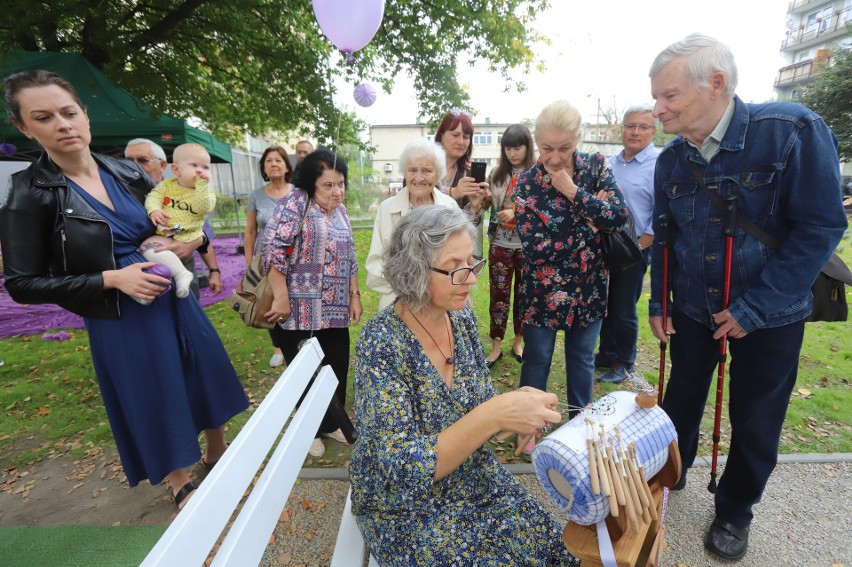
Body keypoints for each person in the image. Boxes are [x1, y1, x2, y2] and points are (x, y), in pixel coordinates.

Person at [0, 70, 249, 509]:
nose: (62, 124)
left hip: (173, 294)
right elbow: (21, 283)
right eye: (44, 117)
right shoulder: (28, 192)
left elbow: (183, 218)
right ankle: (178, 479)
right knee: (151, 388)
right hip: (119, 312)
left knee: (201, 368)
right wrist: (110, 278)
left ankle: (216, 451)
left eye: (69, 112)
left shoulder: (125, 170)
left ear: (85, 115)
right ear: (24, 128)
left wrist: (183, 241)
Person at [648, 34, 847, 561]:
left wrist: (753, 308)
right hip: (691, 307)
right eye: (656, 96)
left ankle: (735, 509)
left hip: (771, 315)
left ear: (715, 84)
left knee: (757, 416)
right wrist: (657, 303)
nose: (657, 107)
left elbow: (821, 226)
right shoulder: (671, 161)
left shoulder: (791, 131)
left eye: (668, 96)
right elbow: (664, 237)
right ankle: (672, 469)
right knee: (680, 401)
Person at [350, 206, 577, 566]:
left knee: (552, 550)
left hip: (469, 474)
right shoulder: (381, 343)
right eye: (456, 267)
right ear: (415, 272)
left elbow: (478, 398)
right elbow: (400, 470)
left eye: (472, 263)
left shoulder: (461, 316)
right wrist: (494, 414)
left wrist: (514, 409)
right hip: (404, 508)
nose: (471, 279)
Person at [513, 100, 629, 438]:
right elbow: (539, 252)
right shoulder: (527, 186)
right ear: (537, 142)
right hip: (541, 292)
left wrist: (576, 193)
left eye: (564, 147)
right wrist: (592, 227)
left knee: (582, 360)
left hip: (589, 290)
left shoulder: (595, 167)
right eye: (547, 148)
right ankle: (530, 427)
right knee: (537, 359)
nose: (554, 157)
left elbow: (620, 217)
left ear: (578, 138)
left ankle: (581, 429)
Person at [261, 149, 362, 458]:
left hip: (335, 309)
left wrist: (355, 295)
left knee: (335, 368)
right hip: (298, 310)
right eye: (329, 185)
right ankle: (310, 431)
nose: (337, 191)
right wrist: (280, 295)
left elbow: (351, 256)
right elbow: (272, 249)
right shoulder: (295, 204)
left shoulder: (341, 211)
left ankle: (332, 424)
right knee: (306, 373)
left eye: (341, 184)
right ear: (311, 183)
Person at [595, 106, 659, 383]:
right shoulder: (611, 162)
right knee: (605, 303)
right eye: (630, 126)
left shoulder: (658, 164)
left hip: (636, 248)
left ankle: (625, 361)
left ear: (654, 131)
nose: (635, 132)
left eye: (643, 127)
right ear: (621, 129)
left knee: (623, 307)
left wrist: (646, 240)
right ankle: (607, 354)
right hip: (607, 246)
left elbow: (663, 209)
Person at [366, 138, 459, 310]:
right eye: (412, 170)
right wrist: (408, 290)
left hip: (439, 303)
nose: (419, 177)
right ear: (404, 172)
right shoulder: (387, 209)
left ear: (438, 173)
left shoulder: (450, 207)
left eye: (427, 170)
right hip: (398, 302)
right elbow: (375, 264)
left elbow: (459, 259)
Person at [124, 138, 222, 297]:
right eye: (128, 161)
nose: (133, 165)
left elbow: (205, 235)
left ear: (163, 165)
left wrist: (214, 271)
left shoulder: (189, 191)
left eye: (142, 160)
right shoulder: (121, 197)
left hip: (183, 278)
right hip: (140, 283)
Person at [484, 124, 535, 368]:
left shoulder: (538, 174)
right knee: (499, 297)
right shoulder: (497, 174)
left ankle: (518, 342)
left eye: (518, 147)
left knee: (524, 298)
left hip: (527, 247)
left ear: (527, 147)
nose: (513, 153)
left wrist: (516, 213)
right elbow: (490, 207)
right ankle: (495, 347)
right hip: (500, 245)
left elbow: (541, 211)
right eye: (508, 148)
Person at [244, 145, 295, 367]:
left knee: (293, 300)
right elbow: (250, 230)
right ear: (264, 168)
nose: (273, 164)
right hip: (266, 261)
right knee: (270, 301)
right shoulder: (256, 195)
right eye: (268, 161)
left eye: (278, 160)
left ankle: (298, 342)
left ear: (286, 166)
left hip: (295, 259)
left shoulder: (298, 192)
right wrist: (248, 262)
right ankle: (279, 347)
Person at [434, 109, 489, 257]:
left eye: (466, 136)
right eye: (455, 135)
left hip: (454, 251)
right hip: (425, 249)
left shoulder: (469, 174)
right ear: (442, 135)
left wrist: (474, 206)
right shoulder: (424, 165)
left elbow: (466, 225)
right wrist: (453, 193)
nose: (461, 141)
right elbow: (415, 205)